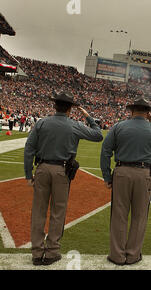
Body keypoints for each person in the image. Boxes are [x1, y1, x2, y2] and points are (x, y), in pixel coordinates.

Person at [24, 92, 103, 266]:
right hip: (61, 170)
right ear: (70, 108)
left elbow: (29, 149)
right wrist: (88, 117)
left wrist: (28, 174)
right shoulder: (74, 125)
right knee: (57, 211)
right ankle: (52, 251)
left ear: (54, 106)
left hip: (42, 168)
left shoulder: (42, 123)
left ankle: (37, 252)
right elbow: (98, 135)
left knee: (38, 210)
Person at [100, 96, 151, 266]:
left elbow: (105, 152)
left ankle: (117, 255)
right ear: (148, 113)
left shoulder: (118, 126)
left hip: (121, 172)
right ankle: (133, 255)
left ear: (131, 110)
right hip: (144, 174)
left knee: (119, 215)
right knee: (139, 216)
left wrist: (107, 176)